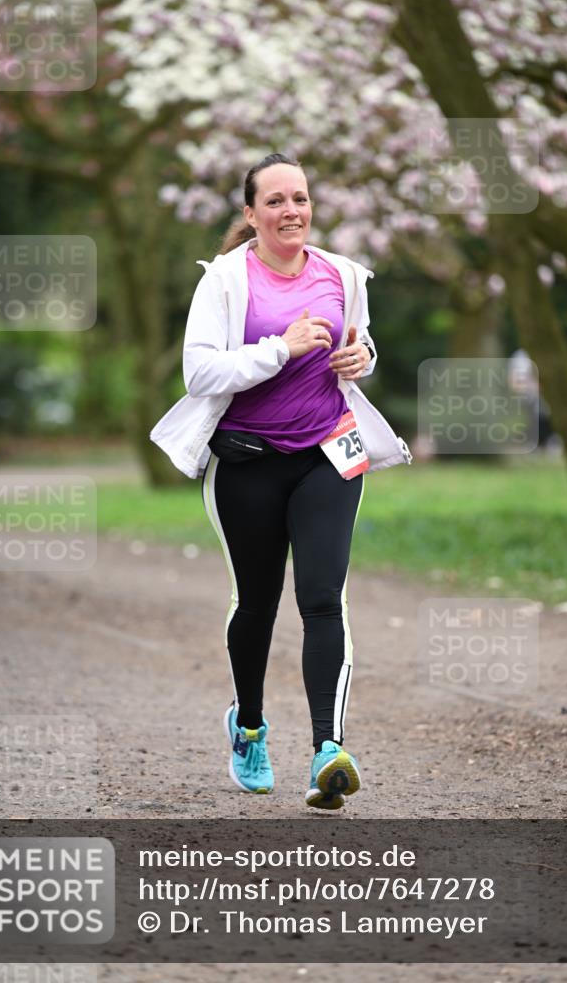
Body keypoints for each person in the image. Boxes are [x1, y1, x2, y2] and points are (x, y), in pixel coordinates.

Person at [151, 153, 411, 810]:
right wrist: (280, 349)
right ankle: (248, 727)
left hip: (327, 453)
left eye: (299, 198)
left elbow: (361, 341)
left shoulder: (342, 274)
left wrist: (362, 356)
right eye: (274, 201)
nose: (289, 210)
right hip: (247, 461)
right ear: (250, 214)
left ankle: (329, 750)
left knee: (322, 597)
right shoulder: (226, 282)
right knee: (259, 602)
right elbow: (199, 375)